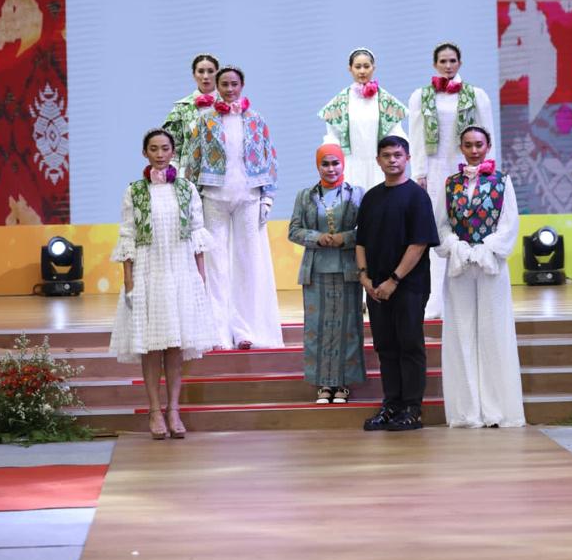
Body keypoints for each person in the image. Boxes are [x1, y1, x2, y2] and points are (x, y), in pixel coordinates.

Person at [109, 128, 219, 439]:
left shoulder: (186, 189)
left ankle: (174, 410)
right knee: (151, 346)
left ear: (173, 152)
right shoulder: (135, 191)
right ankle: (154, 411)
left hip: (180, 271)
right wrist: (129, 280)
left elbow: (197, 235)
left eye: (165, 148)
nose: (160, 154)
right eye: (154, 149)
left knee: (174, 346)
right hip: (148, 272)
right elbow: (127, 235)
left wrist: (200, 278)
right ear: (145, 153)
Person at [185, 65, 283, 350]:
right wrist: (192, 201)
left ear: (242, 85)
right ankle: (217, 330)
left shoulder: (256, 119)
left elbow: (270, 158)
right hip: (214, 197)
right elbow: (192, 161)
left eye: (234, 84)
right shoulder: (205, 122)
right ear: (217, 86)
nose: (229, 89)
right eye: (224, 84)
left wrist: (267, 197)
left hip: (249, 197)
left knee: (247, 262)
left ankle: (245, 329)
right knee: (215, 265)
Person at [435, 125, 525, 428]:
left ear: (488, 146)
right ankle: (467, 411)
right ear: (461, 148)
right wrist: (457, 247)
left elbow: (509, 223)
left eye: (479, 145)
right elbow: (442, 224)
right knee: (461, 332)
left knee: (493, 331)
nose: (474, 150)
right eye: (468, 145)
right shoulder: (450, 184)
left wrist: (486, 249)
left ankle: (498, 409)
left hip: (490, 266)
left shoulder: (502, 182)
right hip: (460, 266)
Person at [356, 135, 440, 431]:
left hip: (408, 286)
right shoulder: (371, 197)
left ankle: (412, 409)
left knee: (409, 345)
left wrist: (393, 279)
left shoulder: (417, 196)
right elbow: (361, 241)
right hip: (376, 288)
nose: (392, 160)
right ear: (378, 160)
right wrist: (365, 277)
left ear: (407, 159)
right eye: (386, 155)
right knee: (385, 346)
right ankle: (391, 405)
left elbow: (418, 244)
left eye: (398, 155)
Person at [408, 42, 495, 320]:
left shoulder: (475, 95)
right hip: (435, 170)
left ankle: (468, 298)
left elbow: (487, 133)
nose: (448, 65)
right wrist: (418, 172)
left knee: (468, 228)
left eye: (453, 60)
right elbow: (417, 135)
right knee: (437, 230)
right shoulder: (421, 96)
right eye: (443, 61)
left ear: (460, 62)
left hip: (465, 168)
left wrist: (489, 171)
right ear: (435, 64)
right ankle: (436, 300)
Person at [288, 144, 366, 404]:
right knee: (317, 329)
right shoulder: (305, 196)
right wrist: (317, 237)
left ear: (343, 164)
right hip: (316, 270)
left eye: (335, 163)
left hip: (347, 271)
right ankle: (323, 384)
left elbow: (366, 231)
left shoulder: (356, 194)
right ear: (317, 166)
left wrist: (345, 238)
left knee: (347, 328)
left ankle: (342, 384)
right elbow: (294, 230)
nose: (331, 169)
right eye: (325, 164)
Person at [318, 47, 407, 192]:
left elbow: (396, 134)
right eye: (357, 67)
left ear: (374, 68)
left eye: (366, 66)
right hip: (351, 165)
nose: (362, 71)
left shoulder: (386, 101)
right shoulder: (339, 102)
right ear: (350, 69)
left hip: (380, 166)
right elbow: (332, 137)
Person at [163, 53, 220, 175]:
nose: (206, 76)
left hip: (222, 178)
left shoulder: (229, 106)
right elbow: (171, 147)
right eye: (201, 71)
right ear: (194, 75)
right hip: (188, 177)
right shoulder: (181, 108)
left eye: (210, 71)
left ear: (218, 74)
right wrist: (173, 174)